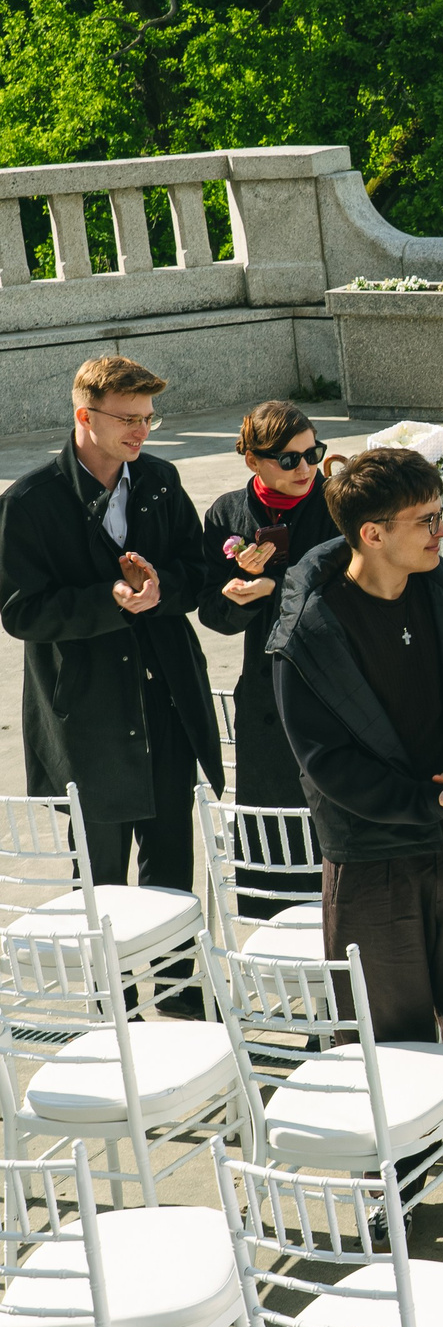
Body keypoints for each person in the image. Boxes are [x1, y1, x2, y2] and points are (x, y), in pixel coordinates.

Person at [267, 447, 443, 1196]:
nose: (441, 531)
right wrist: (423, 800)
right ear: (372, 534)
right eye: (426, 520)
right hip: (372, 860)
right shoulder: (304, 637)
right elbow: (327, 766)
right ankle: (399, 1189)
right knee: (389, 1041)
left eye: (439, 514)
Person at [0, 354, 223, 1010]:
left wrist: (159, 593)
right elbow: (21, 610)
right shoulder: (30, 501)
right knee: (101, 886)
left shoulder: (158, 479)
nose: (141, 431)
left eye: (149, 417)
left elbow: (196, 569)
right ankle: (116, 1022)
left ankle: (182, 1012)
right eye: (127, 418)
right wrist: (109, 600)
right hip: (85, 720)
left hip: (165, 702)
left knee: (171, 871)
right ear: (83, 416)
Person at [198, 401, 339, 921]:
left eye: (312, 454)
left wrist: (273, 587)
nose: (305, 469)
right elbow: (212, 611)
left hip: (334, 685)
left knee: (333, 820)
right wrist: (239, 597)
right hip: (264, 693)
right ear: (253, 460)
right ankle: (270, 951)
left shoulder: (336, 503)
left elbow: (353, 590)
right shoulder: (227, 514)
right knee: (270, 827)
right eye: (288, 459)